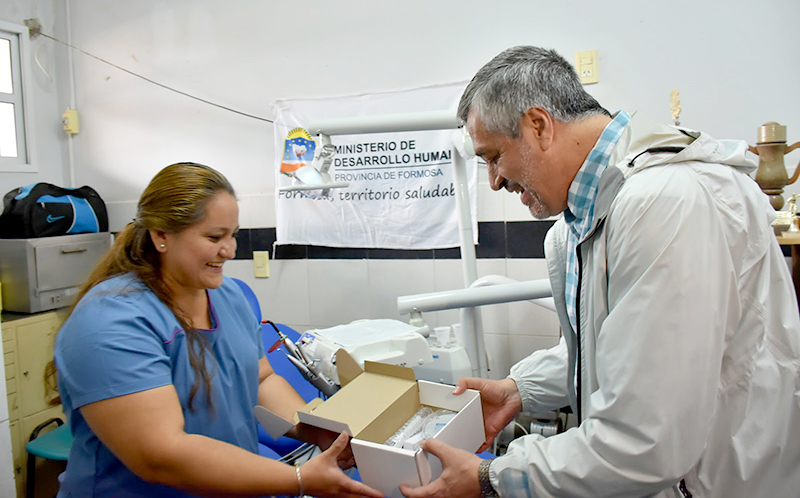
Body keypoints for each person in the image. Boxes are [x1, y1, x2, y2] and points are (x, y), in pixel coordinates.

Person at [400, 46, 800, 498]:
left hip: (719, 481)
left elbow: (644, 439)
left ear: (538, 126)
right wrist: (519, 389)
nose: (494, 180)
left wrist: (493, 479)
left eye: (493, 157)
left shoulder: (662, 201)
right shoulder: (580, 223)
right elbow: (620, 345)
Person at [53, 162, 383, 498]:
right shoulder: (109, 322)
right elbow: (160, 457)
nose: (230, 250)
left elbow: (261, 380)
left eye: (233, 234)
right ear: (161, 236)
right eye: (214, 237)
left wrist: (320, 431)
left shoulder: (229, 296)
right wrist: (298, 479)